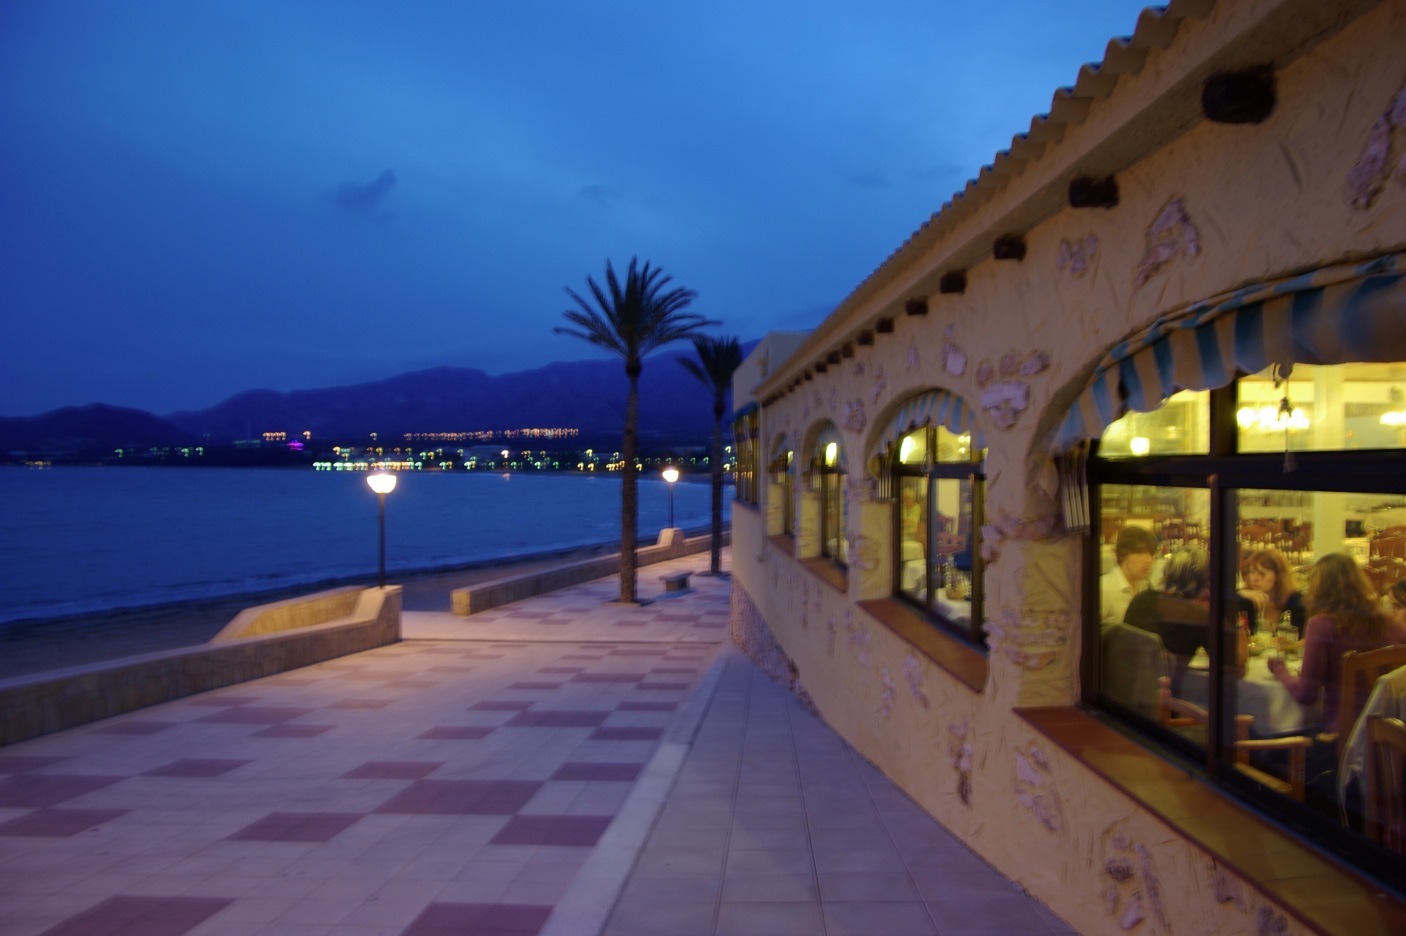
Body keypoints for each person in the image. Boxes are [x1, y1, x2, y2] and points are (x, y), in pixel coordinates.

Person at [1268, 554, 1406, 735]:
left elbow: (1306, 694)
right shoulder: (1393, 625)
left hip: (1340, 740)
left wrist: (1279, 668)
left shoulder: (1322, 625)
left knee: (1261, 745)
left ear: (1318, 588)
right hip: (1389, 741)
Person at [1123, 546, 1211, 692]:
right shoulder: (1196, 615)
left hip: (1125, 695)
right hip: (1166, 705)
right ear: (1204, 582)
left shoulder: (1141, 599)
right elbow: (1234, 667)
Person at [1239, 548, 1306, 637]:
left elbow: (1303, 640)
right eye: (1252, 572)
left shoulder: (1295, 602)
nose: (1255, 579)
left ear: (1278, 576)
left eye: (1262, 573)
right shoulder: (1246, 600)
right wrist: (1239, 594)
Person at [1101, 526, 1157, 625]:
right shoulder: (1104, 588)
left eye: (1151, 554)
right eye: (1140, 553)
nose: (1148, 560)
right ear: (1123, 554)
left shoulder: (1146, 587)